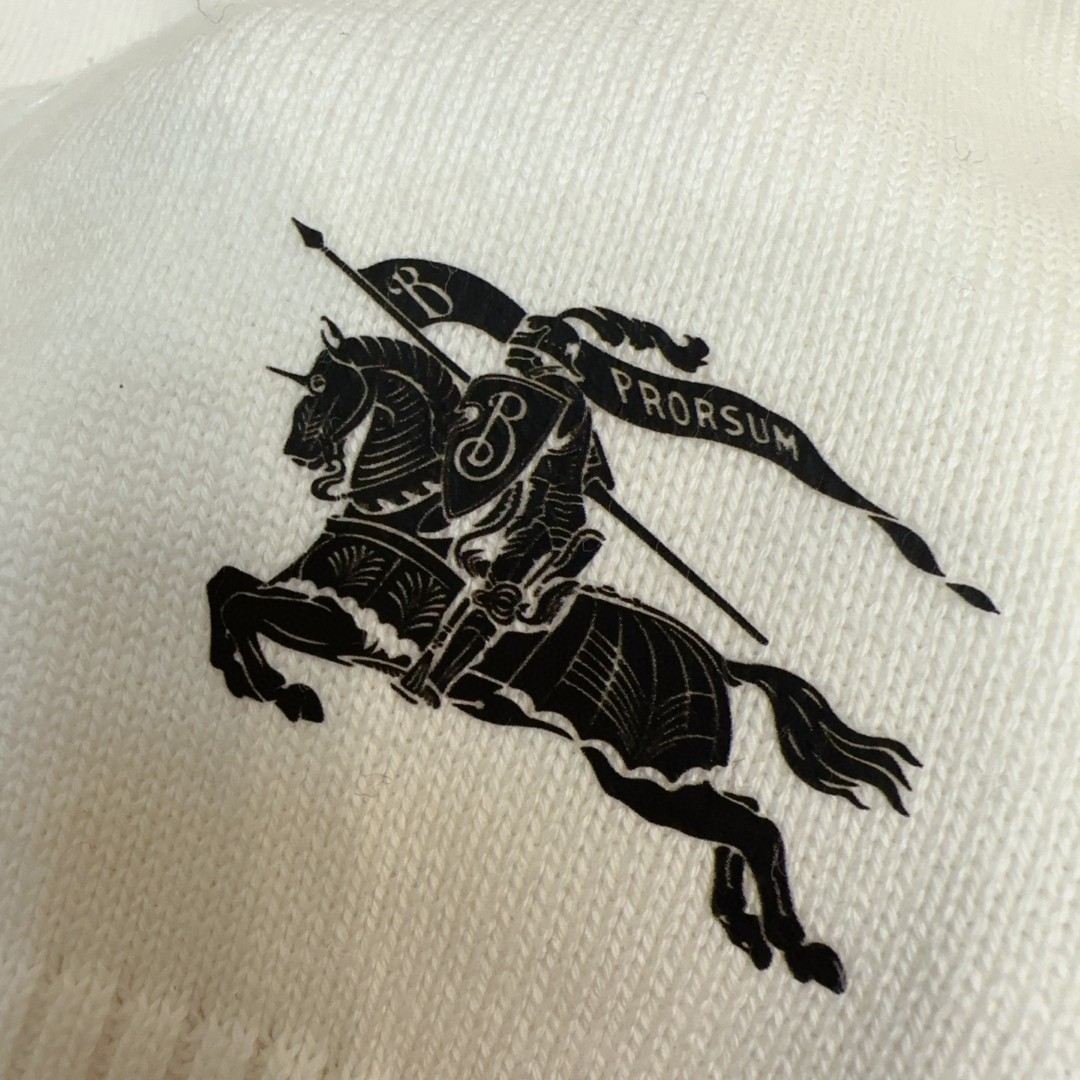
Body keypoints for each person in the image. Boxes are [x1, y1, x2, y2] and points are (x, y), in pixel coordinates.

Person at [395, 315, 611, 705]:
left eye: (526, 342)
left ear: (547, 351)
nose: (516, 348)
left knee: (498, 596)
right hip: (521, 504)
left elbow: (541, 443)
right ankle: (425, 670)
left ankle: (438, 682)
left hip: (550, 516)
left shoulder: (562, 394)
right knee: (477, 589)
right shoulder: (528, 389)